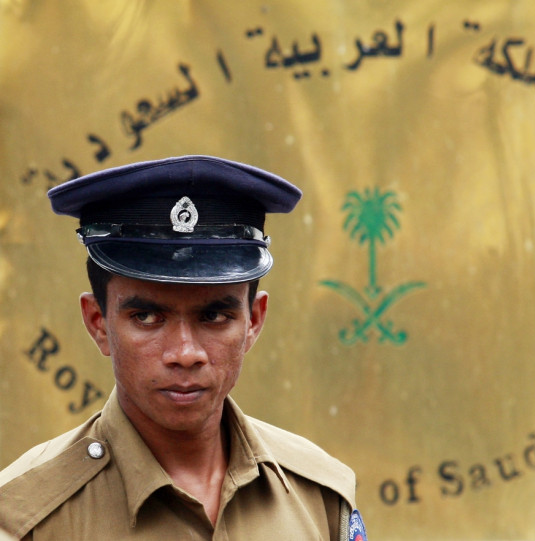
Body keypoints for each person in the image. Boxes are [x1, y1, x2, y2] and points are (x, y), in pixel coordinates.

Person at [0, 155, 368, 540]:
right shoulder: (25, 518)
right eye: (146, 317)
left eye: (214, 317)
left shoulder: (318, 496)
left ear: (254, 321)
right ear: (98, 323)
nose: (185, 353)